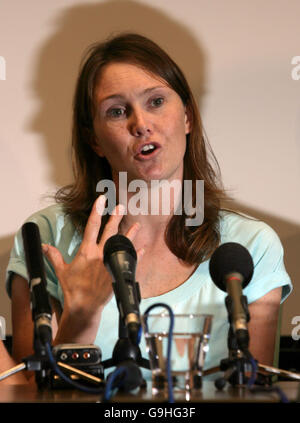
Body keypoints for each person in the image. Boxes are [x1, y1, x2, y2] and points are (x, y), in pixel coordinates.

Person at [3, 33, 292, 385]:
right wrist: (80, 317)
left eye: (155, 101)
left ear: (187, 117)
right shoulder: (46, 237)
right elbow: (26, 394)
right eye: (117, 111)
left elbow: (253, 393)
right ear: (94, 139)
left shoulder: (252, 247)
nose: (140, 124)